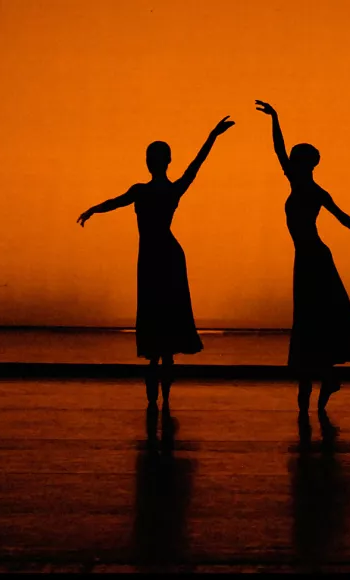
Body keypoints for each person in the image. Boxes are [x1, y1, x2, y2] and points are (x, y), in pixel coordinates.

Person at [78, 116, 234, 407]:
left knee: (158, 332)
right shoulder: (158, 190)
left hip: (158, 257)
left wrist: (94, 210)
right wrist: (94, 210)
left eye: (152, 158)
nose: (151, 161)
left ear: (155, 162)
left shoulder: (149, 190)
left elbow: (195, 166)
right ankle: (160, 399)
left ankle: (158, 400)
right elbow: (194, 167)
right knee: (162, 335)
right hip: (161, 257)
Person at [256, 100, 350, 413]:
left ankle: (319, 378)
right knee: (311, 318)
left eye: (296, 161)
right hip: (309, 257)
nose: (291, 164)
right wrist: (275, 118)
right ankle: (322, 377)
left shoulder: (309, 189)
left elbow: (342, 217)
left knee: (312, 317)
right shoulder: (307, 187)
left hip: (314, 257)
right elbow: (279, 151)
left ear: (306, 165)